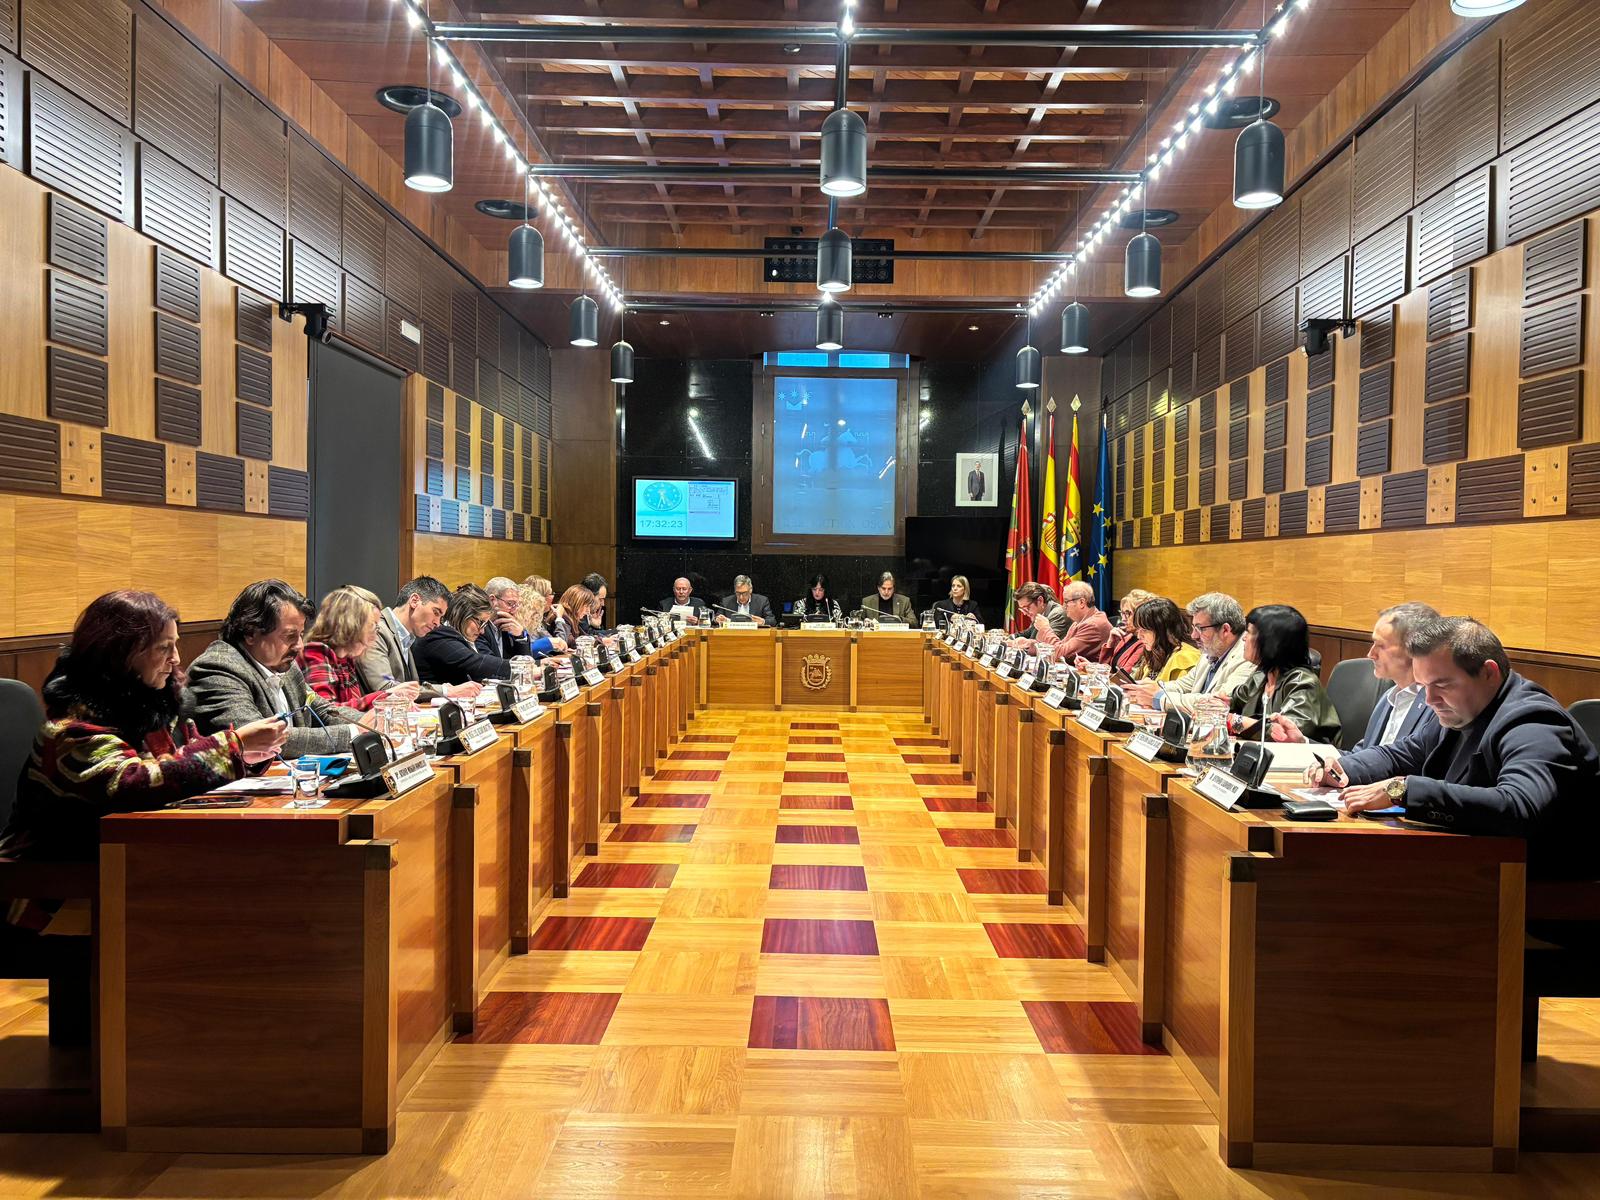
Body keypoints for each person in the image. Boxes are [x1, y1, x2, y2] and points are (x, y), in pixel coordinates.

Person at [1, 591, 287, 937]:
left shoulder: (147, 708)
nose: (176, 659)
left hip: (123, 870)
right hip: (55, 896)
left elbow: (174, 768)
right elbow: (133, 783)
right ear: (122, 654)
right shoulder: (70, 731)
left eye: (175, 645)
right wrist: (233, 746)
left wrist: (245, 756)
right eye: (164, 648)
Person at [1306, 617, 1600, 880]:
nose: (1430, 699)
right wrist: (1342, 767)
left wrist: (1405, 790)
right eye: (1423, 686)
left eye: (1442, 685)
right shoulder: (1462, 710)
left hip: (1538, 890)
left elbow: (1520, 807)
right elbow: (1402, 753)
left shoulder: (1533, 722)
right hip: (1477, 870)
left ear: (1488, 672)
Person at [188, 580, 371, 756]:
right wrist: (354, 732)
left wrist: (373, 723)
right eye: (290, 635)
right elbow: (264, 739)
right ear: (250, 632)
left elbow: (323, 710)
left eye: (300, 635)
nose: (299, 645)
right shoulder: (218, 669)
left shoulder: (284, 665)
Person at [1271, 601, 1440, 750]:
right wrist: (1302, 744)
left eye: (1381, 645)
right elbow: (1359, 759)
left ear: (1414, 649)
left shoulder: (1437, 707)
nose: (1371, 654)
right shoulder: (1389, 698)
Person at [1226, 604, 1342, 743]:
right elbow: (1231, 703)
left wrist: (1235, 722)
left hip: (1308, 761)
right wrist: (1217, 704)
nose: (1244, 638)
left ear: (1270, 642)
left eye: (1249, 632)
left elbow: (1284, 735)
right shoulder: (1261, 677)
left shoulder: (1303, 683)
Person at [1126, 591, 1256, 715]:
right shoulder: (1210, 653)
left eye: (1200, 629)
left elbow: (1216, 704)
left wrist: (1159, 698)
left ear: (1225, 630)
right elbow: (1182, 685)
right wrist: (1145, 688)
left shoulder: (1247, 657)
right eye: (1194, 628)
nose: (1194, 636)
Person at [355, 576, 478, 702]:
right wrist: (447, 691)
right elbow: (385, 688)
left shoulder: (407, 636)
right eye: (436, 612)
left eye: (441, 617)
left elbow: (409, 689)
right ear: (414, 601)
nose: (437, 623)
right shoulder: (376, 631)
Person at [301, 586, 421, 712]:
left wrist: (392, 700)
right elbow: (328, 713)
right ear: (351, 623)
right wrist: (386, 696)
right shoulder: (315, 653)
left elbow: (354, 709)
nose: (375, 634)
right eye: (373, 625)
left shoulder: (346, 658)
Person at [413, 584, 518, 685]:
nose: (482, 631)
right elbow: (476, 664)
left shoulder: (459, 637)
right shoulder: (439, 635)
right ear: (463, 614)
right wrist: (521, 667)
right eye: (480, 622)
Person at [1128, 597, 1202, 683]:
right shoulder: (1156, 652)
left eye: (1144, 630)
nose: (1139, 636)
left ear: (1163, 630)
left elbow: (1178, 695)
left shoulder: (1185, 658)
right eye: (1138, 630)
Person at [1095, 588, 1157, 675]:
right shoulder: (1127, 636)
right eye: (1122, 613)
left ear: (1141, 614)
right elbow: (1105, 668)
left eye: (1128, 613)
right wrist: (1110, 644)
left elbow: (1124, 678)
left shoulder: (1145, 642)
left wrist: (1094, 671)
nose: (1123, 619)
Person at [478, 576, 533, 659]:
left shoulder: (506, 626)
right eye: (510, 604)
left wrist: (520, 637)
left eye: (516, 605)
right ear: (492, 600)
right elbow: (490, 665)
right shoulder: (479, 627)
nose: (514, 611)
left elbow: (526, 662)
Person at [1009, 581, 1070, 651]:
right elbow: (1027, 633)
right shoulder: (1039, 613)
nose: (1025, 614)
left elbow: (1048, 646)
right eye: (1022, 610)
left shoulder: (1058, 614)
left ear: (1040, 601)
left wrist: (1027, 643)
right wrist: (1009, 639)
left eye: (1026, 608)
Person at [517, 582, 568, 657]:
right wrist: (559, 618)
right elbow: (519, 654)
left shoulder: (533, 622)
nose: (536, 616)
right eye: (550, 593)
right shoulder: (511, 626)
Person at [581, 572, 614, 637]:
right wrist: (616, 632)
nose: (603, 604)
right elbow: (587, 636)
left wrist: (596, 626)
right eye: (600, 599)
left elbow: (593, 633)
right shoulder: (578, 612)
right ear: (589, 596)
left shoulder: (588, 615)